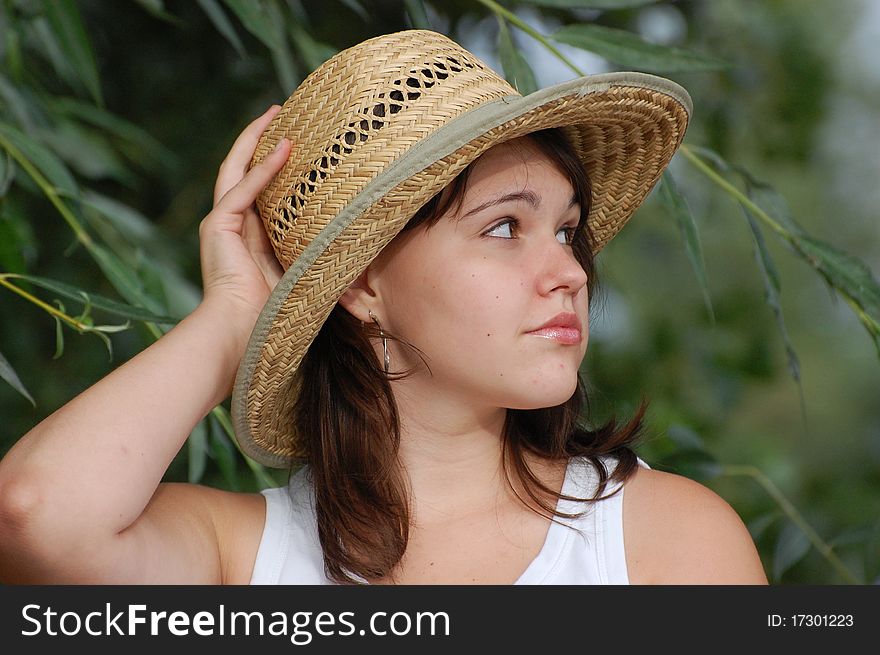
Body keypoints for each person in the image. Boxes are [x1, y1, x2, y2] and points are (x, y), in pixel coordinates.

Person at [0, 30, 767, 585]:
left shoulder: (660, 540)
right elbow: (34, 513)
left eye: (566, 230)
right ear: (363, 286)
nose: (568, 270)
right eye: (504, 226)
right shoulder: (242, 558)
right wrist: (235, 314)